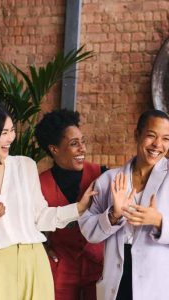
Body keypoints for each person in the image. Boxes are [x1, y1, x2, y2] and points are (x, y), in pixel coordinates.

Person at [79, 109, 169, 300]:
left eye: (166, 138)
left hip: (163, 285)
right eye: (151, 136)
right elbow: (89, 230)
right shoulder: (109, 179)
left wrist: (159, 221)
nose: (158, 145)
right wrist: (113, 215)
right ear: (137, 135)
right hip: (119, 280)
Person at [0, 101, 94, 300]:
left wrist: (79, 208)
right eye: (4, 132)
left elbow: (40, 217)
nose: (11, 138)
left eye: (12, 130)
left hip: (33, 261)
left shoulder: (24, 166)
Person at [35, 109, 104, 300]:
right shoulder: (39, 184)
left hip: (98, 265)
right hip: (61, 267)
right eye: (74, 144)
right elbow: (28, 223)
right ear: (54, 149)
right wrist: (43, 245)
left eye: (83, 141)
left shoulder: (101, 174)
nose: (82, 149)